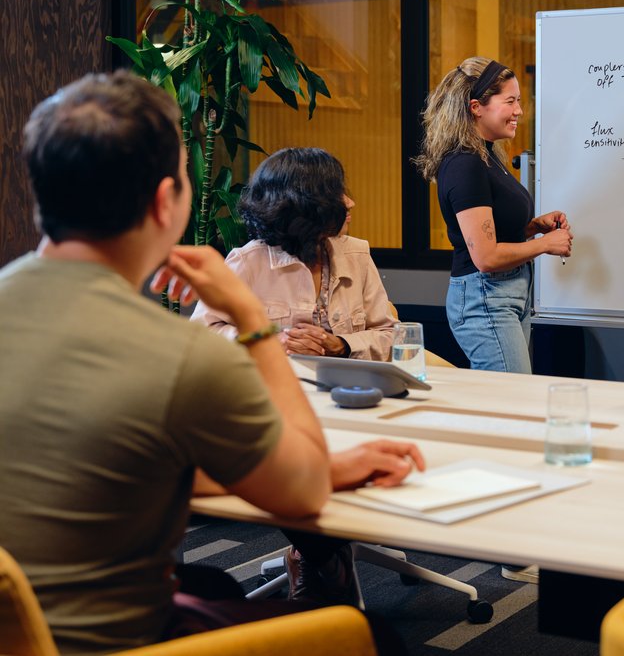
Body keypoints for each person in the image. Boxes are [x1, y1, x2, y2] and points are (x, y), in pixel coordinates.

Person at [0, 71, 422, 654]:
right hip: (108, 642)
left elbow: (112, 455)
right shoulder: (178, 353)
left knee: (214, 583)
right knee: (373, 637)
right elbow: (302, 494)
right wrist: (252, 322)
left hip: (19, 626)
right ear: (164, 202)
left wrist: (326, 464)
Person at [416, 56, 572, 373]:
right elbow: (486, 257)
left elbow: (491, 231)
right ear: (476, 107)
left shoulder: (486, 156)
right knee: (513, 398)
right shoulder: (465, 164)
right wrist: (545, 244)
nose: (519, 111)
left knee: (514, 395)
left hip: (506, 295)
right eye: (510, 101)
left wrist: (533, 227)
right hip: (486, 299)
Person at [192, 147, 397, 361]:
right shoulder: (248, 261)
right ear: (304, 205)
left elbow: (391, 336)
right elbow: (202, 336)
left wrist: (342, 345)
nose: (349, 203)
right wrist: (268, 342)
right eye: (335, 194)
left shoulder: (357, 254)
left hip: (346, 383)